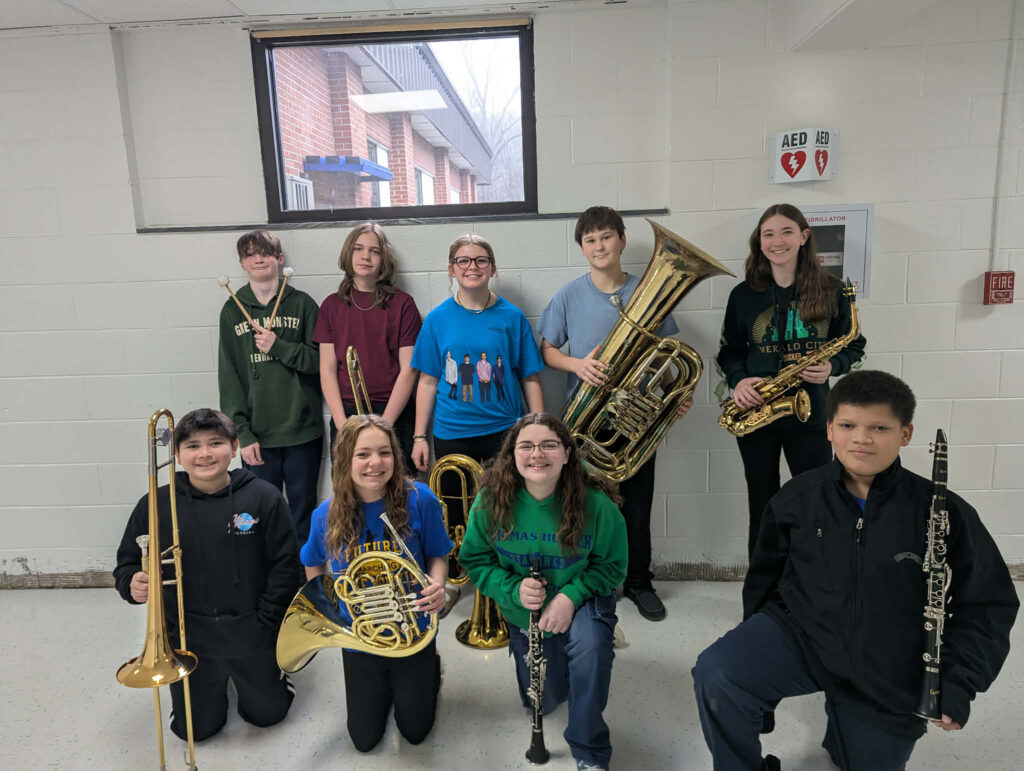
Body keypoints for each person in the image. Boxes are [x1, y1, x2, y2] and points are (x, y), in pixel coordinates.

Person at [692, 371, 1019, 771]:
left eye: (879, 427)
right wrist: (757, 678)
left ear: (905, 433)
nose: (861, 438)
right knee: (718, 672)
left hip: (890, 668)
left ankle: (848, 724)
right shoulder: (795, 498)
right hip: (805, 636)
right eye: (848, 425)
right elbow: (762, 585)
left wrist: (957, 681)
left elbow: (988, 604)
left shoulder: (945, 511)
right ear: (829, 430)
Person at [537, 205, 691, 622]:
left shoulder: (651, 290)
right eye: (590, 240)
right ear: (582, 248)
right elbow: (546, 351)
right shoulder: (569, 294)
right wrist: (577, 366)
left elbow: (667, 355)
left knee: (638, 505)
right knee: (586, 505)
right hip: (586, 420)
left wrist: (671, 396)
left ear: (621, 240)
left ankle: (639, 581)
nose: (599, 245)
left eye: (606, 237)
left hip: (636, 419)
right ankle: (588, 582)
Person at [114, 408, 301, 742]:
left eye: (215, 443)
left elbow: (285, 570)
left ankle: (272, 675)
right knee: (194, 732)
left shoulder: (264, 497)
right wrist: (132, 583)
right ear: (177, 455)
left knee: (268, 716)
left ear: (234, 446)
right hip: (187, 638)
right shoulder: (154, 503)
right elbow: (126, 563)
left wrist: (264, 624)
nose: (204, 454)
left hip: (251, 631)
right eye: (192, 446)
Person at [459, 413, 627, 771]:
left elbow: (612, 567)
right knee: (546, 700)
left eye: (549, 445)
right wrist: (512, 588)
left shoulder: (597, 505)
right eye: (527, 446)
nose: (538, 454)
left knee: (591, 646)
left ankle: (590, 751)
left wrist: (571, 596)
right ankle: (569, 660)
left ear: (567, 454)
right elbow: (475, 560)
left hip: (580, 598)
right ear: (512, 455)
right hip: (525, 609)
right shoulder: (492, 501)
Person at [717, 203, 866, 559]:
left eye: (786, 232)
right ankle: (761, 588)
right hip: (758, 414)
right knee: (763, 502)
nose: (777, 241)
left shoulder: (833, 289)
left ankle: (813, 579)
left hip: (812, 415)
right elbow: (728, 351)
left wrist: (833, 365)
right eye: (768, 234)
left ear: (803, 237)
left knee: (817, 503)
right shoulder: (743, 295)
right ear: (759, 242)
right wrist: (738, 381)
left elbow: (855, 345)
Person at [300, 414, 452, 752]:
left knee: (415, 731)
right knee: (364, 740)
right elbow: (312, 561)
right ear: (344, 460)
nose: (375, 463)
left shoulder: (420, 498)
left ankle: (429, 670)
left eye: (384, 453)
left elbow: (439, 554)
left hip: (413, 628)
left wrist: (438, 586)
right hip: (360, 635)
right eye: (363, 454)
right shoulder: (325, 514)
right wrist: (328, 609)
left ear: (396, 457)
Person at [218, 229, 322, 548]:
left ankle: (306, 582)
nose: (258, 258)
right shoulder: (233, 310)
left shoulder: (302, 304)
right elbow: (230, 378)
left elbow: (320, 362)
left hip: (303, 431)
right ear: (242, 263)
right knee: (259, 514)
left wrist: (279, 346)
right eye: (250, 254)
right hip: (258, 436)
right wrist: (242, 433)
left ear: (279, 259)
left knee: (304, 513)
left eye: (265, 252)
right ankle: (270, 582)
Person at [411, 233, 545, 471]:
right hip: (453, 433)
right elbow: (428, 382)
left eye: (481, 260)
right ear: (452, 269)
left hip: (506, 430)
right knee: (454, 507)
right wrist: (419, 436)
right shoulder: (436, 320)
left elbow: (529, 377)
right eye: (463, 261)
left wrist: (539, 429)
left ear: (492, 268)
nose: (472, 266)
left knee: (508, 505)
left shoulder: (513, 317)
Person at [314, 223, 422, 472]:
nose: (365, 256)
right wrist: (343, 425)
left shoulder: (403, 304)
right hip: (347, 412)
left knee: (400, 493)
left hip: (394, 411)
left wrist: (385, 424)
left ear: (384, 259)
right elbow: (327, 370)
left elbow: (409, 370)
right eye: (358, 249)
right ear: (347, 255)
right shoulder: (331, 306)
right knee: (350, 495)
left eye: (374, 251)